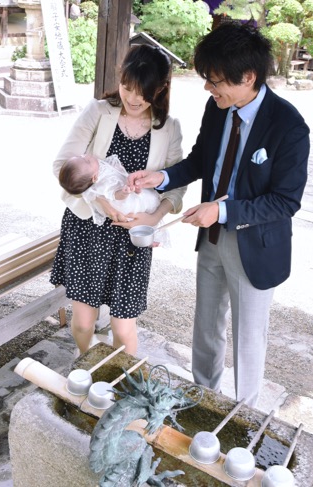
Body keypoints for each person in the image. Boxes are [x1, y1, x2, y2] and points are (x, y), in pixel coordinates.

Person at [128, 22, 309, 407]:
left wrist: (222, 210)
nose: (209, 89)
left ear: (248, 77)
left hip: (255, 245)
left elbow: (285, 201)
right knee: (207, 326)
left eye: (215, 81)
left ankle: (244, 413)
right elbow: (200, 161)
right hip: (211, 239)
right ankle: (202, 399)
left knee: (248, 337)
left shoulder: (289, 126)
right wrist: (159, 176)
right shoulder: (218, 107)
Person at [50, 45, 186, 356]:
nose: (133, 98)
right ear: (120, 79)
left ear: (161, 88)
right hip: (88, 230)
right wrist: (102, 204)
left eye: (143, 92)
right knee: (84, 323)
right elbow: (62, 166)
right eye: (127, 87)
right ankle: (89, 365)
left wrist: (154, 219)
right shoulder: (98, 111)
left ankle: (122, 385)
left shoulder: (169, 128)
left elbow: (175, 186)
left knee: (123, 327)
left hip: (133, 239)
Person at [58, 154, 167, 232]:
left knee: (147, 202)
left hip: (124, 189)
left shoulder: (94, 171)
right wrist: (124, 193)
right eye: (87, 161)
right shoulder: (103, 184)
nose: (86, 156)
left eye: (82, 156)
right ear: (95, 177)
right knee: (146, 205)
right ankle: (152, 233)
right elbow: (114, 195)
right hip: (123, 202)